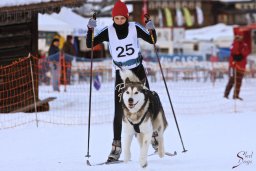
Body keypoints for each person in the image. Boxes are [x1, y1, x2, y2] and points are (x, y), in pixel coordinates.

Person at [86, 0, 157, 162]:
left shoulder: (134, 27)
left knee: (147, 102)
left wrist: (150, 27)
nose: (119, 21)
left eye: (122, 18)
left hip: (138, 70)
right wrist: (90, 29)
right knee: (119, 109)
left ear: (126, 16)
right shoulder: (108, 31)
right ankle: (116, 147)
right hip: (121, 72)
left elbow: (152, 40)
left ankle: (153, 135)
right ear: (113, 18)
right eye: (116, 18)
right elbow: (90, 43)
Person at [224, 33, 249, 100]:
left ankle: (236, 95)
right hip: (234, 66)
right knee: (232, 80)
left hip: (241, 66)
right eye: (238, 36)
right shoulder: (233, 44)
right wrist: (236, 42)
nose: (239, 37)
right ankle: (226, 95)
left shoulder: (244, 45)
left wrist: (241, 56)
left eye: (240, 36)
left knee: (239, 82)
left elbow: (246, 52)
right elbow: (234, 51)